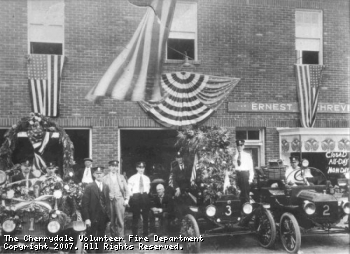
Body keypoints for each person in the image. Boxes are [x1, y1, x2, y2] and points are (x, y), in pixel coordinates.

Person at [82, 167, 110, 253]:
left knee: (101, 237)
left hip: (103, 216)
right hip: (92, 217)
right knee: (90, 237)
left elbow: (107, 203)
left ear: (103, 175)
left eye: (101, 173)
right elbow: (84, 204)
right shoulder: (89, 187)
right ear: (94, 175)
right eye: (97, 174)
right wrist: (87, 218)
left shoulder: (106, 187)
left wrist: (109, 217)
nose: (99, 175)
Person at [103, 160, 129, 238]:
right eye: (112, 166)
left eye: (115, 166)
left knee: (120, 221)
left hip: (120, 200)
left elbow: (127, 190)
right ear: (109, 167)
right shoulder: (105, 178)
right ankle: (113, 238)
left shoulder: (121, 177)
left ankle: (121, 239)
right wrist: (107, 196)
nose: (114, 168)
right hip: (110, 202)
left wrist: (126, 200)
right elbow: (102, 191)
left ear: (117, 168)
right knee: (112, 221)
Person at [128, 161, 151, 237]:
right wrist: (133, 196)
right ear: (137, 168)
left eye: (143, 168)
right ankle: (134, 235)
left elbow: (148, 189)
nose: (141, 169)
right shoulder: (132, 178)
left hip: (144, 196)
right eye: (140, 167)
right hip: (136, 197)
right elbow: (129, 189)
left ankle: (145, 234)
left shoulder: (147, 178)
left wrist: (145, 194)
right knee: (135, 216)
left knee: (145, 216)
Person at [168, 150, 192, 217]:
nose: (180, 159)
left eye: (181, 157)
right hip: (179, 189)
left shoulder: (188, 167)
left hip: (188, 189)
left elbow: (191, 178)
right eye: (178, 158)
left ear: (183, 158)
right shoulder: (174, 169)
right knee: (179, 204)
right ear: (176, 159)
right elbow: (174, 180)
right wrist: (177, 188)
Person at [233, 139, 254, 206]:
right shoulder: (235, 157)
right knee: (237, 193)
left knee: (245, 194)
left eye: (241, 145)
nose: (239, 147)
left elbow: (251, 168)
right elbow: (234, 167)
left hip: (245, 175)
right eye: (238, 145)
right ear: (236, 146)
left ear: (243, 146)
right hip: (237, 175)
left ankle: (246, 210)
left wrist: (250, 179)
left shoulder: (247, 156)